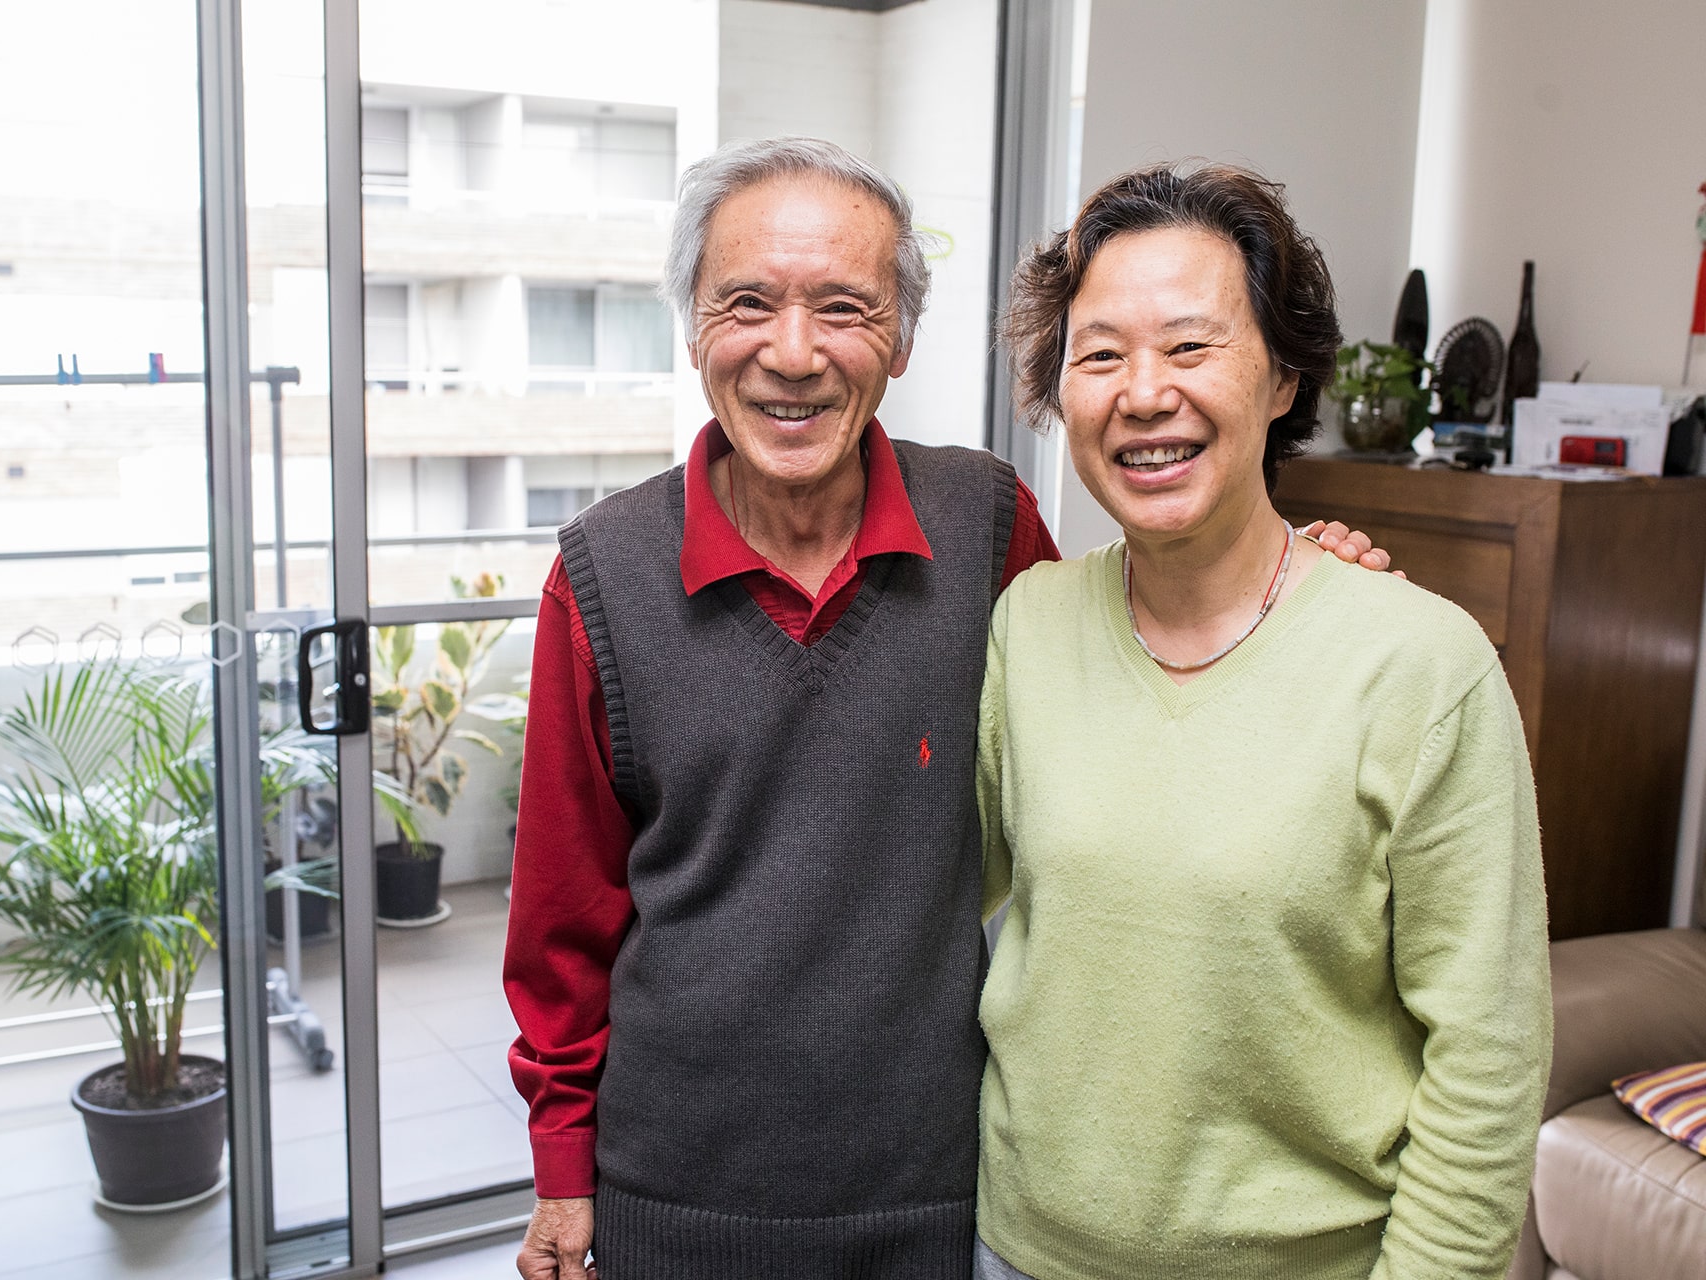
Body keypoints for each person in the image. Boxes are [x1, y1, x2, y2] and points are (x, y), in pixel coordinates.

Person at [504, 138, 1390, 1280]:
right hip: (675, 1187)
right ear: (691, 331)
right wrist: (562, 1164)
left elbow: (1138, 670)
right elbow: (560, 915)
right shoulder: (601, 574)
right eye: (747, 303)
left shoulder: (985, 523)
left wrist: (1294, 579)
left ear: (903, 339)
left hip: (943, 1188)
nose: (793, 351)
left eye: (844, 307)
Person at [974, 163, 1551, 1280]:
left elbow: (1488, 1055)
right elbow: (936, 902)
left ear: (1284, 374)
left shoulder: (1423, 666)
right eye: (1100, 355)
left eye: (1191, 346)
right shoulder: (1029, 625)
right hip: (1016, 1249)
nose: (1144, 393)